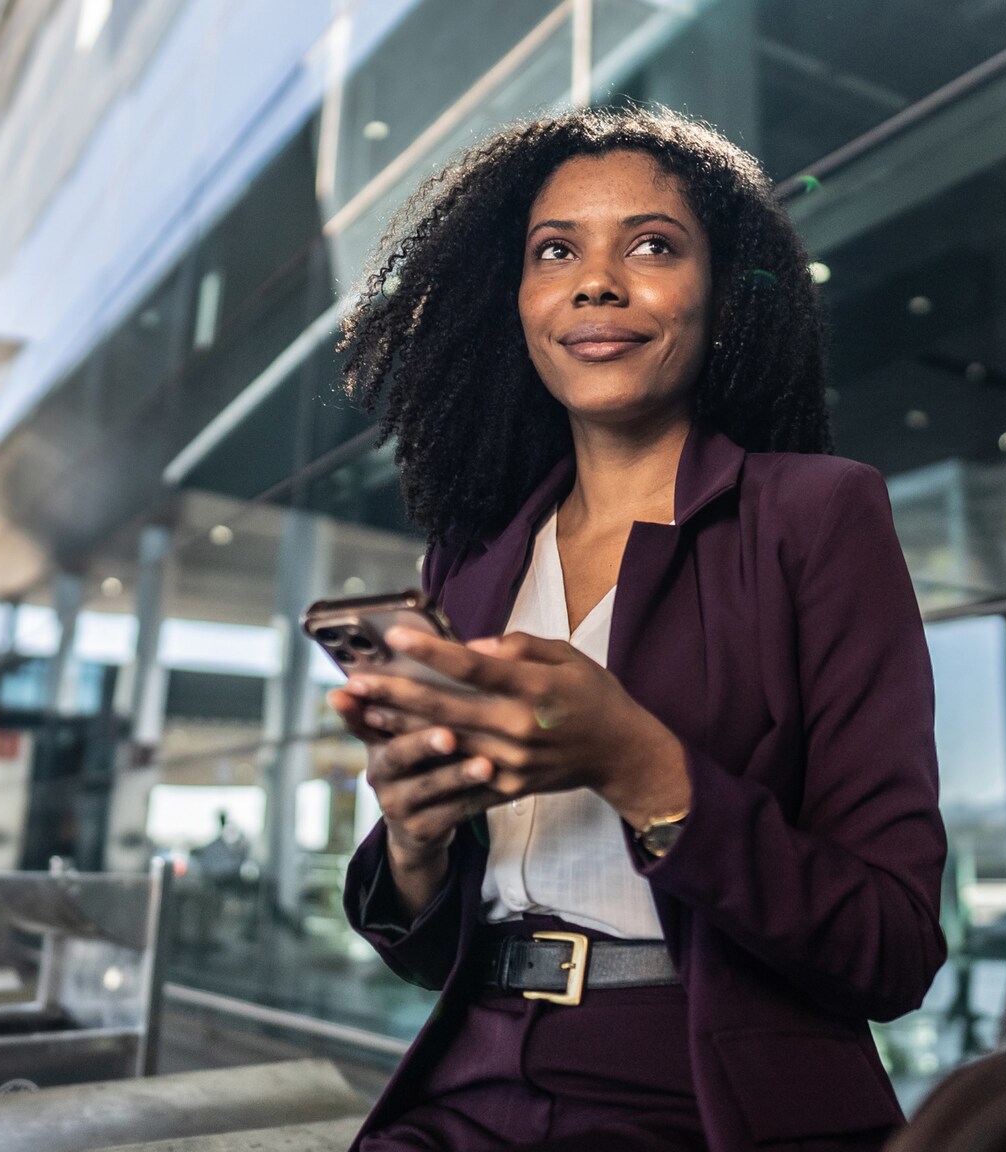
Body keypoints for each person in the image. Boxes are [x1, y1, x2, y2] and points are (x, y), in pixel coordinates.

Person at [327, 106, 946, 1152]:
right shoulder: (469, 564)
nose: (595, 283)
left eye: (651, 246)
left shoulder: (813, 517)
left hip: (700, 1094)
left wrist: (638, 764)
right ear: (514, 300)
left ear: (723, 293)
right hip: (466, 1081)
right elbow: (427, 955)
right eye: (554, 251)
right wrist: (415, 838)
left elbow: (891, 949)